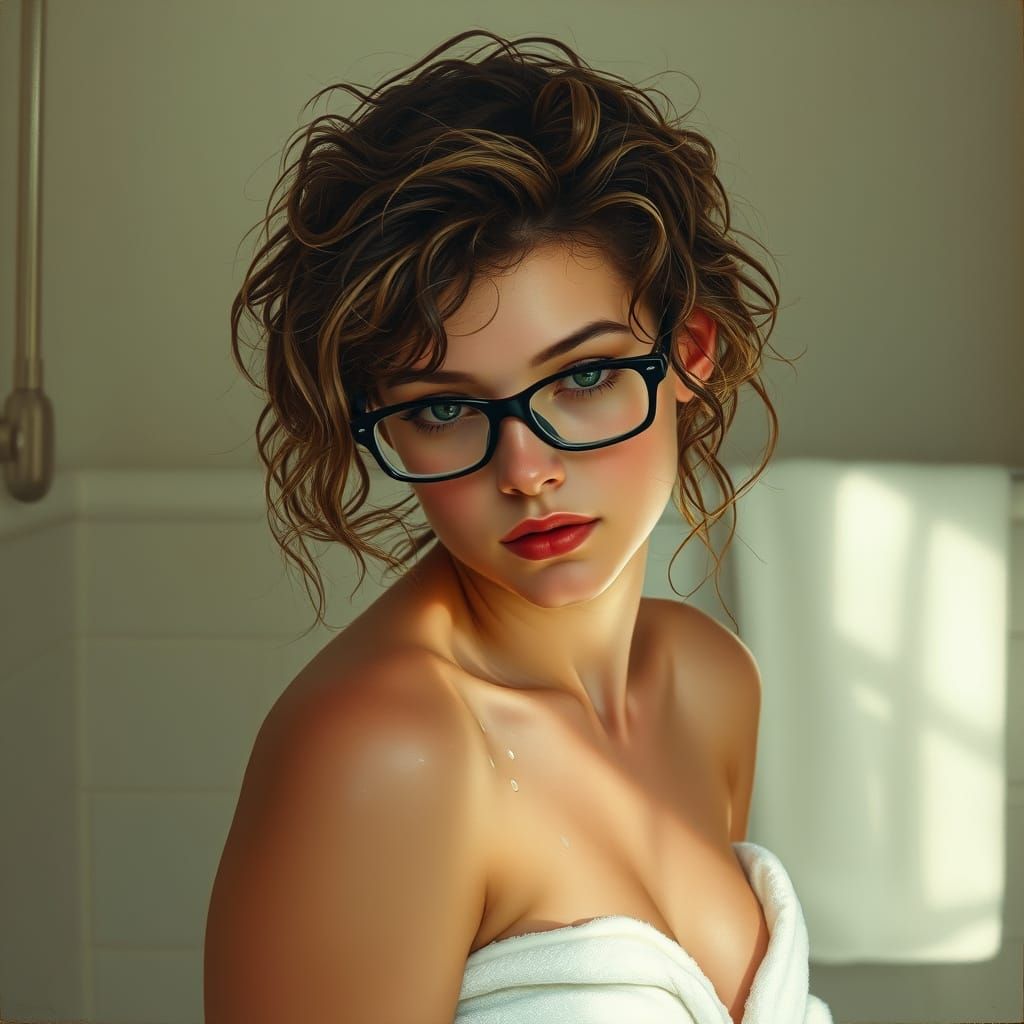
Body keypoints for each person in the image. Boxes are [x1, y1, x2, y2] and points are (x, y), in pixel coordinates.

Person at [203, 29, 831, 1024]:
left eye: (582, 377)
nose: (525, 471)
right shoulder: (386, 751)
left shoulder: (708, 685)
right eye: (444, 406)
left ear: (691, 350)